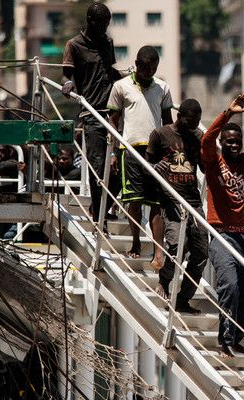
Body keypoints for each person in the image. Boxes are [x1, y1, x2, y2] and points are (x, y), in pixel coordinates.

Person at [201, 89, 244, 358]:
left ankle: (240, 336)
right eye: (228, 141)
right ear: (223, 142)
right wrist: (228, 112)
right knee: (229, 285)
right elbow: (207, 138)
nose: (233, 145)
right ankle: (225, 339)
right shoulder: (213, 162)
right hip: (221, 234)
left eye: (236, 141)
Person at [107, 46, 173, 267]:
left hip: (156, 152)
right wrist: (115, 151)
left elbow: (168, 123)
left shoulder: (163, 88)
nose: (149, 72)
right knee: (133, 200)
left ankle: (158, 252)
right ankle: (136, 242)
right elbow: (113, 121)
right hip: (130, 149)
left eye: (153, 68)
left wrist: (171, 153)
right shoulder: (121, 87)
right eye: (145, 68)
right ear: (136, 64)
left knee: (156, 204)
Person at [61, 2, 121, 226]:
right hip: (92, 114)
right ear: (90, 21)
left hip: (114, 114)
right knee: (98, 168)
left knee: (123, 166)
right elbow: (66, 75)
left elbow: (110, 72)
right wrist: (67, 84)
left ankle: (100, 208)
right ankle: (99, 218)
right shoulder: (74, 45)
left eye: (108, 24)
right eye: (102, 24)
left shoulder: (108, 43)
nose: (105, 28)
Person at [146, 99, 207, 314]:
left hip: (193, 200)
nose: (195, 126)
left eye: (198, 122)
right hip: (171, 199)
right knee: (176, 246)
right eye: (191, 121)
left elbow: (205, 168)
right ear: (180, 116)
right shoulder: (160, 134)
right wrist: (155, 167)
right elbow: (147, 166)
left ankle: (183, 298)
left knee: (201, 252)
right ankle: (164, 281)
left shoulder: (197, 136)